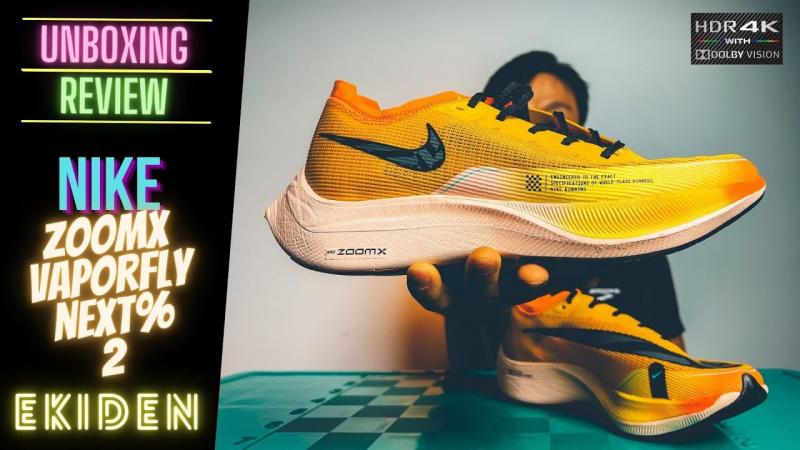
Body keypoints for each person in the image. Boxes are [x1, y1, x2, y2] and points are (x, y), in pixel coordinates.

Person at [405, 51, 685, 370]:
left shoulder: (635, 236)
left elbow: (675, 365)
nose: (533, 130)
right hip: (500, 394)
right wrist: (472, 318)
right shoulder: (466, 234)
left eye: (555, 115)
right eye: (517, 118)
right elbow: (468, 376)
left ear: (582, 135)